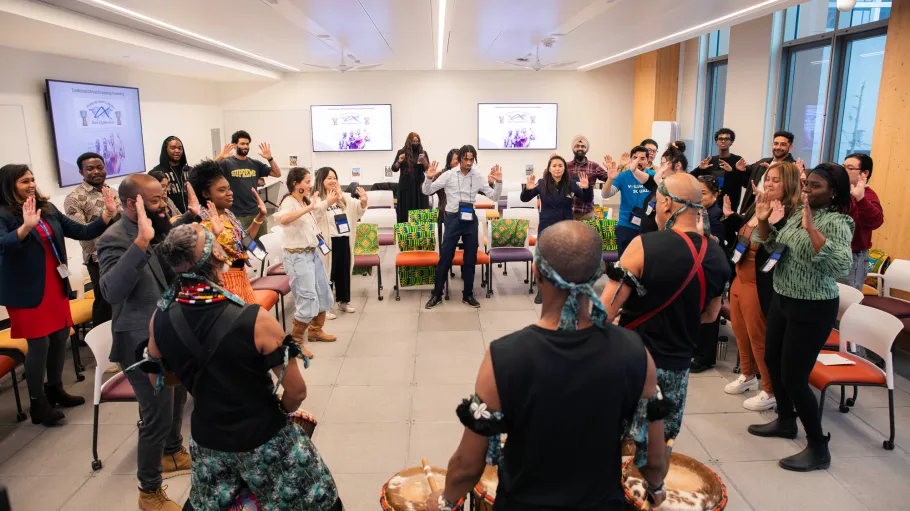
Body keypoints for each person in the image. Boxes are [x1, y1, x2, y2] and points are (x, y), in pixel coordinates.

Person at [426, 221, 668, 511]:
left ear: (536, 273)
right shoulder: (636, 353)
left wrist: (444, 501)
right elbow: (653, 460)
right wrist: (656, 488)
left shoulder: (504, 357)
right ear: (598, 275)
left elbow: (468, 466)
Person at [147, 223, 341, 511]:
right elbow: (297, 391)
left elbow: (160, 381)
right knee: (319, 502)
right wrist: (283, 410)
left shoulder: (160, 319)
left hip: (208, 441)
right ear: (215, 254)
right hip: (263, 438)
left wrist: (204, 376)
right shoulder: (255, 319)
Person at [601, 173, 730, 468]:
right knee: (656, 450)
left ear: (668, 204)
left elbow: (605, 312)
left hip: (633, 363)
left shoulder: (644, 245)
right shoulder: (717, 256)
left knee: (613, 444)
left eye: (657, 202)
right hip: (676, 368)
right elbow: (710, 315)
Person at [97, 173, 199, 510]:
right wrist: (140, 242)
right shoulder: (116, 239)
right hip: (138, 340)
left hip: (166, 329)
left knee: (177, 397)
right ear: (132, 203)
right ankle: (149, 491)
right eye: (156, 200)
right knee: (155, 415)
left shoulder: (159, 228)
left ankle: (172, 453)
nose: (163, 205)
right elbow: (111, 291)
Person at [748, 163, 855, 472]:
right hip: (784, 298)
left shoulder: (838, 221)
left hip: (813, 307)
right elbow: (771, 246)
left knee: (795, 377)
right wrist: (765, 222)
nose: (807, 189)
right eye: (807, 183)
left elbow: (839, 265)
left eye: (816, 186)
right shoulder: (798, 213)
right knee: (772, 360)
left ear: (834, 192)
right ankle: (785, 420)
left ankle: (819, 447)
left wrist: (811, 228)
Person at [0, 164, 117, 425]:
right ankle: (37, 403)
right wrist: (25, 228)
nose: (31, 184)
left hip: (54, 284)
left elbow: (82, 231)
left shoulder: (47, 208)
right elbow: (3, 245)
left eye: (32, 179)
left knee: (60, 336)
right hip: (26, 291)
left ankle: (55, 389)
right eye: (23, 181)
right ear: (9, 185)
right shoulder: (4, 214)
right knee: (39, 345)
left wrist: (107, 215)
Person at [720, 162, 802, 410]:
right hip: (740, 275)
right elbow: (744, 235)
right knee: (741, 332)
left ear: (789, 183)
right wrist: (731, 216)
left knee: (759, 337)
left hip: (760, 282)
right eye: (768, 179)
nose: (769, 183)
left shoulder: (790, 213)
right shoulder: (759, 204)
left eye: (776, 180)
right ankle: (747, 375)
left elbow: (779, 249)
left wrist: (774, 223)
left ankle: (770, 388)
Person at [422, 145, 503, 309]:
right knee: (445, 257)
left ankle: (468, 294)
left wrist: (499, 182)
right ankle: (437, 294)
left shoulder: (478, 176)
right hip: (452, 219)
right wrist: (428, 178)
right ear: (459, 159)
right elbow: (426, 191)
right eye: (465, 159)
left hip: (469, 219)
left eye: (471, 159)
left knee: (470, 258)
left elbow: (494, 197)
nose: (468, 162)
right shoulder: (449, 175)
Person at [190, 160, 268, 306]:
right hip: (224, 282)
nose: (230, 193)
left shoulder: (228, 214)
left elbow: (244, 241)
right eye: (222, 190)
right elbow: (201, 261)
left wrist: (260, 216)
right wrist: (214, 234)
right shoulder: (201, 221)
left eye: (229, 188)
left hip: (241, 277)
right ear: (206, 194)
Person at [278, 167, 338, 353]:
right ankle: (296, 341)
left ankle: (315, 331)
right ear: (295, 184)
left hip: (312, 253)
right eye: (306, 182)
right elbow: (284, 219)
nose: (310, 185)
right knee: (306, 297)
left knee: (322, 292)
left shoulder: (304, 200)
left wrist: (326, 201)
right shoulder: (288, 201)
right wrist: (308, 208)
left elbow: (317, 209)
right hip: (297, 256)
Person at [521, 155, 592, 303]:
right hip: (547, 225)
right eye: (554, 166)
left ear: (565, 168)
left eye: (560, 165)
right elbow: (525, 198)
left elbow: (586, 199)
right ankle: (542, 290)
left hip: (566, 226)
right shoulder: (541, 183)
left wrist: (587, 188)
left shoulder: (571, 184)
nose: (557, 168)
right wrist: (527, 189)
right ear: (549, 168)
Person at [64, 152, 122, 327]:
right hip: (98, 257)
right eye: (90, 169)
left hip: (122, 251)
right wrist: (107, 216)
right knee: (105, 301)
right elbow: (82, 231)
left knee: (123, 298)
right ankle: (101, 341)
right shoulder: (74, 198)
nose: (96, 171)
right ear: (81, 172)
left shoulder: (112, 191)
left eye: (100, 167)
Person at [311, 167, 368, 315]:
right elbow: (313, 218)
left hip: (344, 239)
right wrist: (328, 202)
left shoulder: (344, 197)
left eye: (334, 177)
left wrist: (363, 202)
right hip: (327, 242)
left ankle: (343, 301)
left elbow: (357, 210)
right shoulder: (316, 199)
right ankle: (326, 307)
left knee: (343, 272)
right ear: (321, 180)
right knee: (327, 273)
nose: (333, 181)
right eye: (329, 178)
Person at [217, 130, 281, 237]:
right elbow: (206, 172)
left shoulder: (254, 164)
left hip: (256, 213)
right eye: (242, 143)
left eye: (247, 144)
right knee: (241, 246)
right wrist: (221, 156)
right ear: (235, 145)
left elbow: (277, 173)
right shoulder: (226, 163)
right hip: (235, 215)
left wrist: (270, 158)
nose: (245, 146)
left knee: (260, 247)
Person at [618, 142, 688, 237]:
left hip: (664, 237)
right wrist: (633, 169)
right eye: (660, 164)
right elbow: (646, 178)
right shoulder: (662, 181)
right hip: (647, 235)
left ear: (678, 166)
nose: (661, 167)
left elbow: (673, 201)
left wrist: (658, 179)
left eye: (663, 164)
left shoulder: (685, 185)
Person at [840, 153, 884, 290]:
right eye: (844, 166)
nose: (844, 171)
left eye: (850, 168)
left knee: (847, 302)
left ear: (864, 173)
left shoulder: (868, 195)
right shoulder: (842, 192)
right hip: (834, 253)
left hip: (853, 257)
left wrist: (860, 198)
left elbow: (876, 221)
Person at [601, 146, 655, 255]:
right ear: (630, 160)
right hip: (626, 225)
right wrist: (610, 179)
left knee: (645, 260)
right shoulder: (623, 176)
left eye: (642, 158)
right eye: (635, 158)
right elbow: (606, 194)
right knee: (625, 260)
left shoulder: (653, 176)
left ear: (648, 161)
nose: (638, 161)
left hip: (648, 225)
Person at [692, 128, 749, 212]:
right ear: (716, 142)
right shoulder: (710, 161)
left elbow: (746, 183)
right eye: (720, 139)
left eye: (726, 139)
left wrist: (731, 171)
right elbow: (691, 179)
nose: (723, 141)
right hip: (710, 204)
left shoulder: (737, 160)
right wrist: (699, 169)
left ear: (731, 142)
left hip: (729, 204)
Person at [739, 131, 796, 213]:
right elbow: (747, 179)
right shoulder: (763, 162)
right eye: (776, 144)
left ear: (790, 147)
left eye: (783, 144)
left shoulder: (793, 166)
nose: (778, 147)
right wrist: (738, 170)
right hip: (753, 209)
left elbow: (792, 190)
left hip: (775, 211)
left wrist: (775, 171)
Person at [565, 135, 608, 220]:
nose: (580, 148)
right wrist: (551, 161)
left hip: (586, 213)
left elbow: (609, 178)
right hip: (567, 212)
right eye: (577, 146)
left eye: (583, 146)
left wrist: (611, 169)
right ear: (573, 148)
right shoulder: (566, 166)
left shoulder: (594, 166)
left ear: (586, 149)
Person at [391, 132, 430, 223]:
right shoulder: (401, 152)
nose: (415, 143)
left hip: (420, 187)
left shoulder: (423, 153)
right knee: (406, 211)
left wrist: (424, 161)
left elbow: (427, 169)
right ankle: (405, 233)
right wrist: (399, 161)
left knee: (420, 211)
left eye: (417, 141)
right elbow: (394, 168)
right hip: (406, 188)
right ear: (409, 141)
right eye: (413, 141)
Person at [148, 136, 192, 214]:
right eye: (173, 148)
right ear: (166, 150)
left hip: (191, 215)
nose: (177, 151)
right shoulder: (156, 173)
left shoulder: (189, 170)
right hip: (170, 217)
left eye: (180, 148)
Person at [698, 176, 725, 248]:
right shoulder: (695, 209)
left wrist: (704, 232)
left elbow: (718, 241)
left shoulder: (718, 214)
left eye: (703, 193)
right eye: (697, 192)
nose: (699, 196)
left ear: (715, 195)